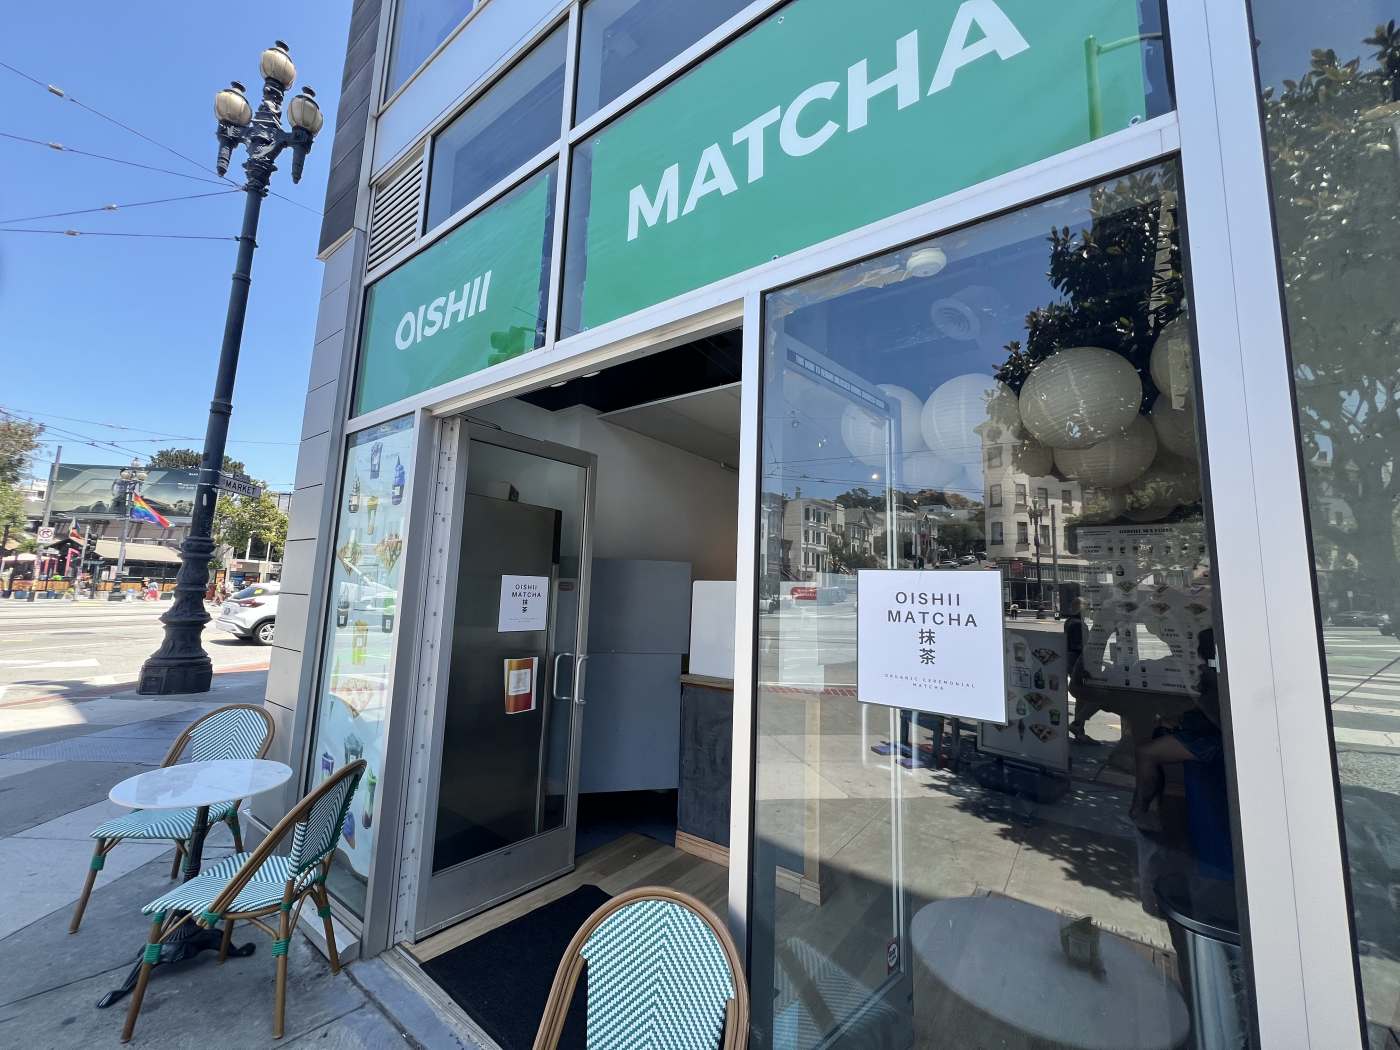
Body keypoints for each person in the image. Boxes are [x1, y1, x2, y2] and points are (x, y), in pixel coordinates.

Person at [1128, 629, 1222, 833]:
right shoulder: (1212, 674)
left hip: (1215, 741)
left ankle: (1141, 809)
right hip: (1209, 733)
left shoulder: (1213, 677)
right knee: (1157, 734)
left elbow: (1217, 719)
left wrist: (1195, 695)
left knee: (1145, 753)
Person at [1065, 599, 1103, 743]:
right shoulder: (1077, 624)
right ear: (1079, 608)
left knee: (1081, 698)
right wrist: (1084, 668)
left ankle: (1079, 730)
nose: (1089, 610)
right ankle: (1078, 724)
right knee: (1098, 697)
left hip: (1075, 664)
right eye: (1087, 607)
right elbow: (1079, 647)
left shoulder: (1070, 622)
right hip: (1080, 664)